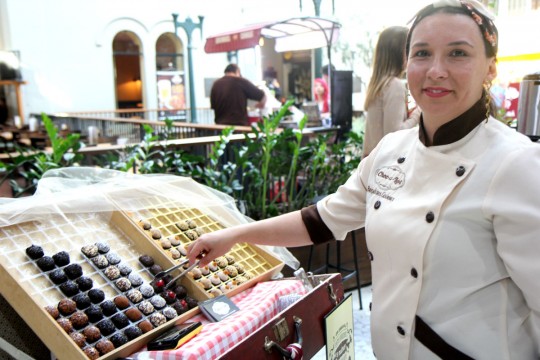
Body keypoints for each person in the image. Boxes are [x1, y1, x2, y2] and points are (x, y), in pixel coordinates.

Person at [188, 1, 540, 358]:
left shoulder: (516, 164)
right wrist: (235, 235)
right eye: (422, 53)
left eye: (458, 53)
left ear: (490, 69)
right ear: (407, 64)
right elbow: (322, 220)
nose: (436, 70)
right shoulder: (390, 151)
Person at [362, 26, 416, 158]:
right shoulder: (394, 85)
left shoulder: (378, 84)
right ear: (399, 52)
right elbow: (394, 134)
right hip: (384, 163)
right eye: (409, 48)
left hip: (371, 162)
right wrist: (418, 114)